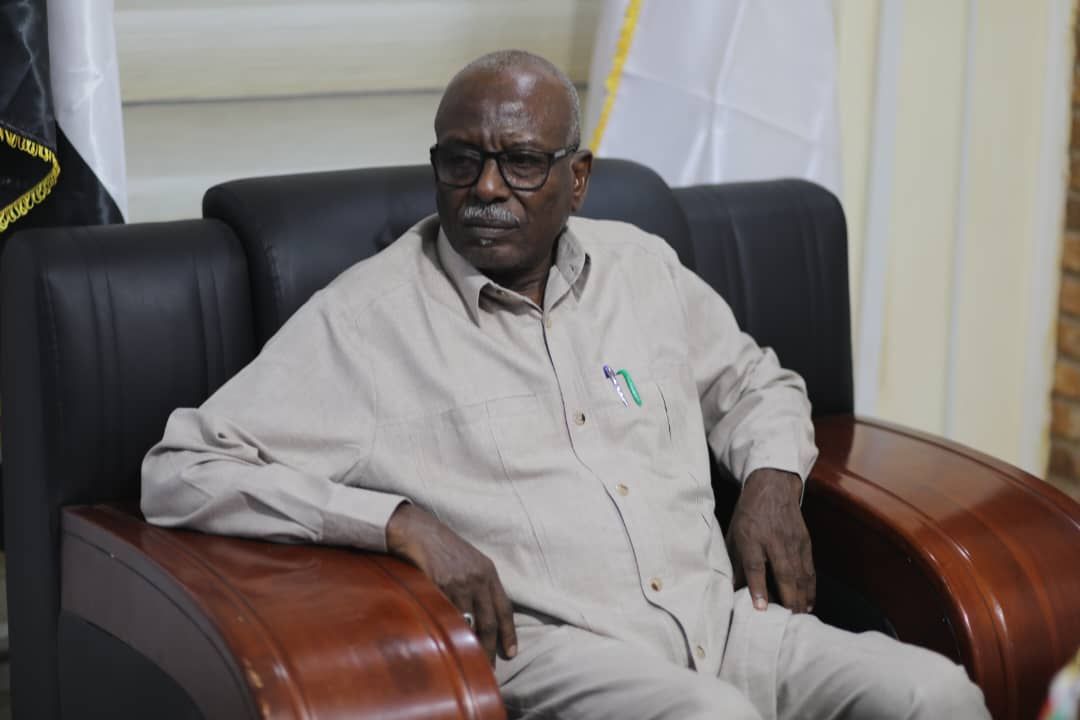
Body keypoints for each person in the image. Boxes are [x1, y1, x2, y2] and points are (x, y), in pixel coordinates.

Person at [141, 50, 989, 720]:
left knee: (935, 696)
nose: (485, 188)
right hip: (558, 650)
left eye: (519, 162)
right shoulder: (367, 321)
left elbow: (755, 384)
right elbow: (183, 469)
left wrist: (771, 481)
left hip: (723, 625)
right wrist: (398, 524)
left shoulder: (641, 268)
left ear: (576, 179)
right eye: (462, 160)